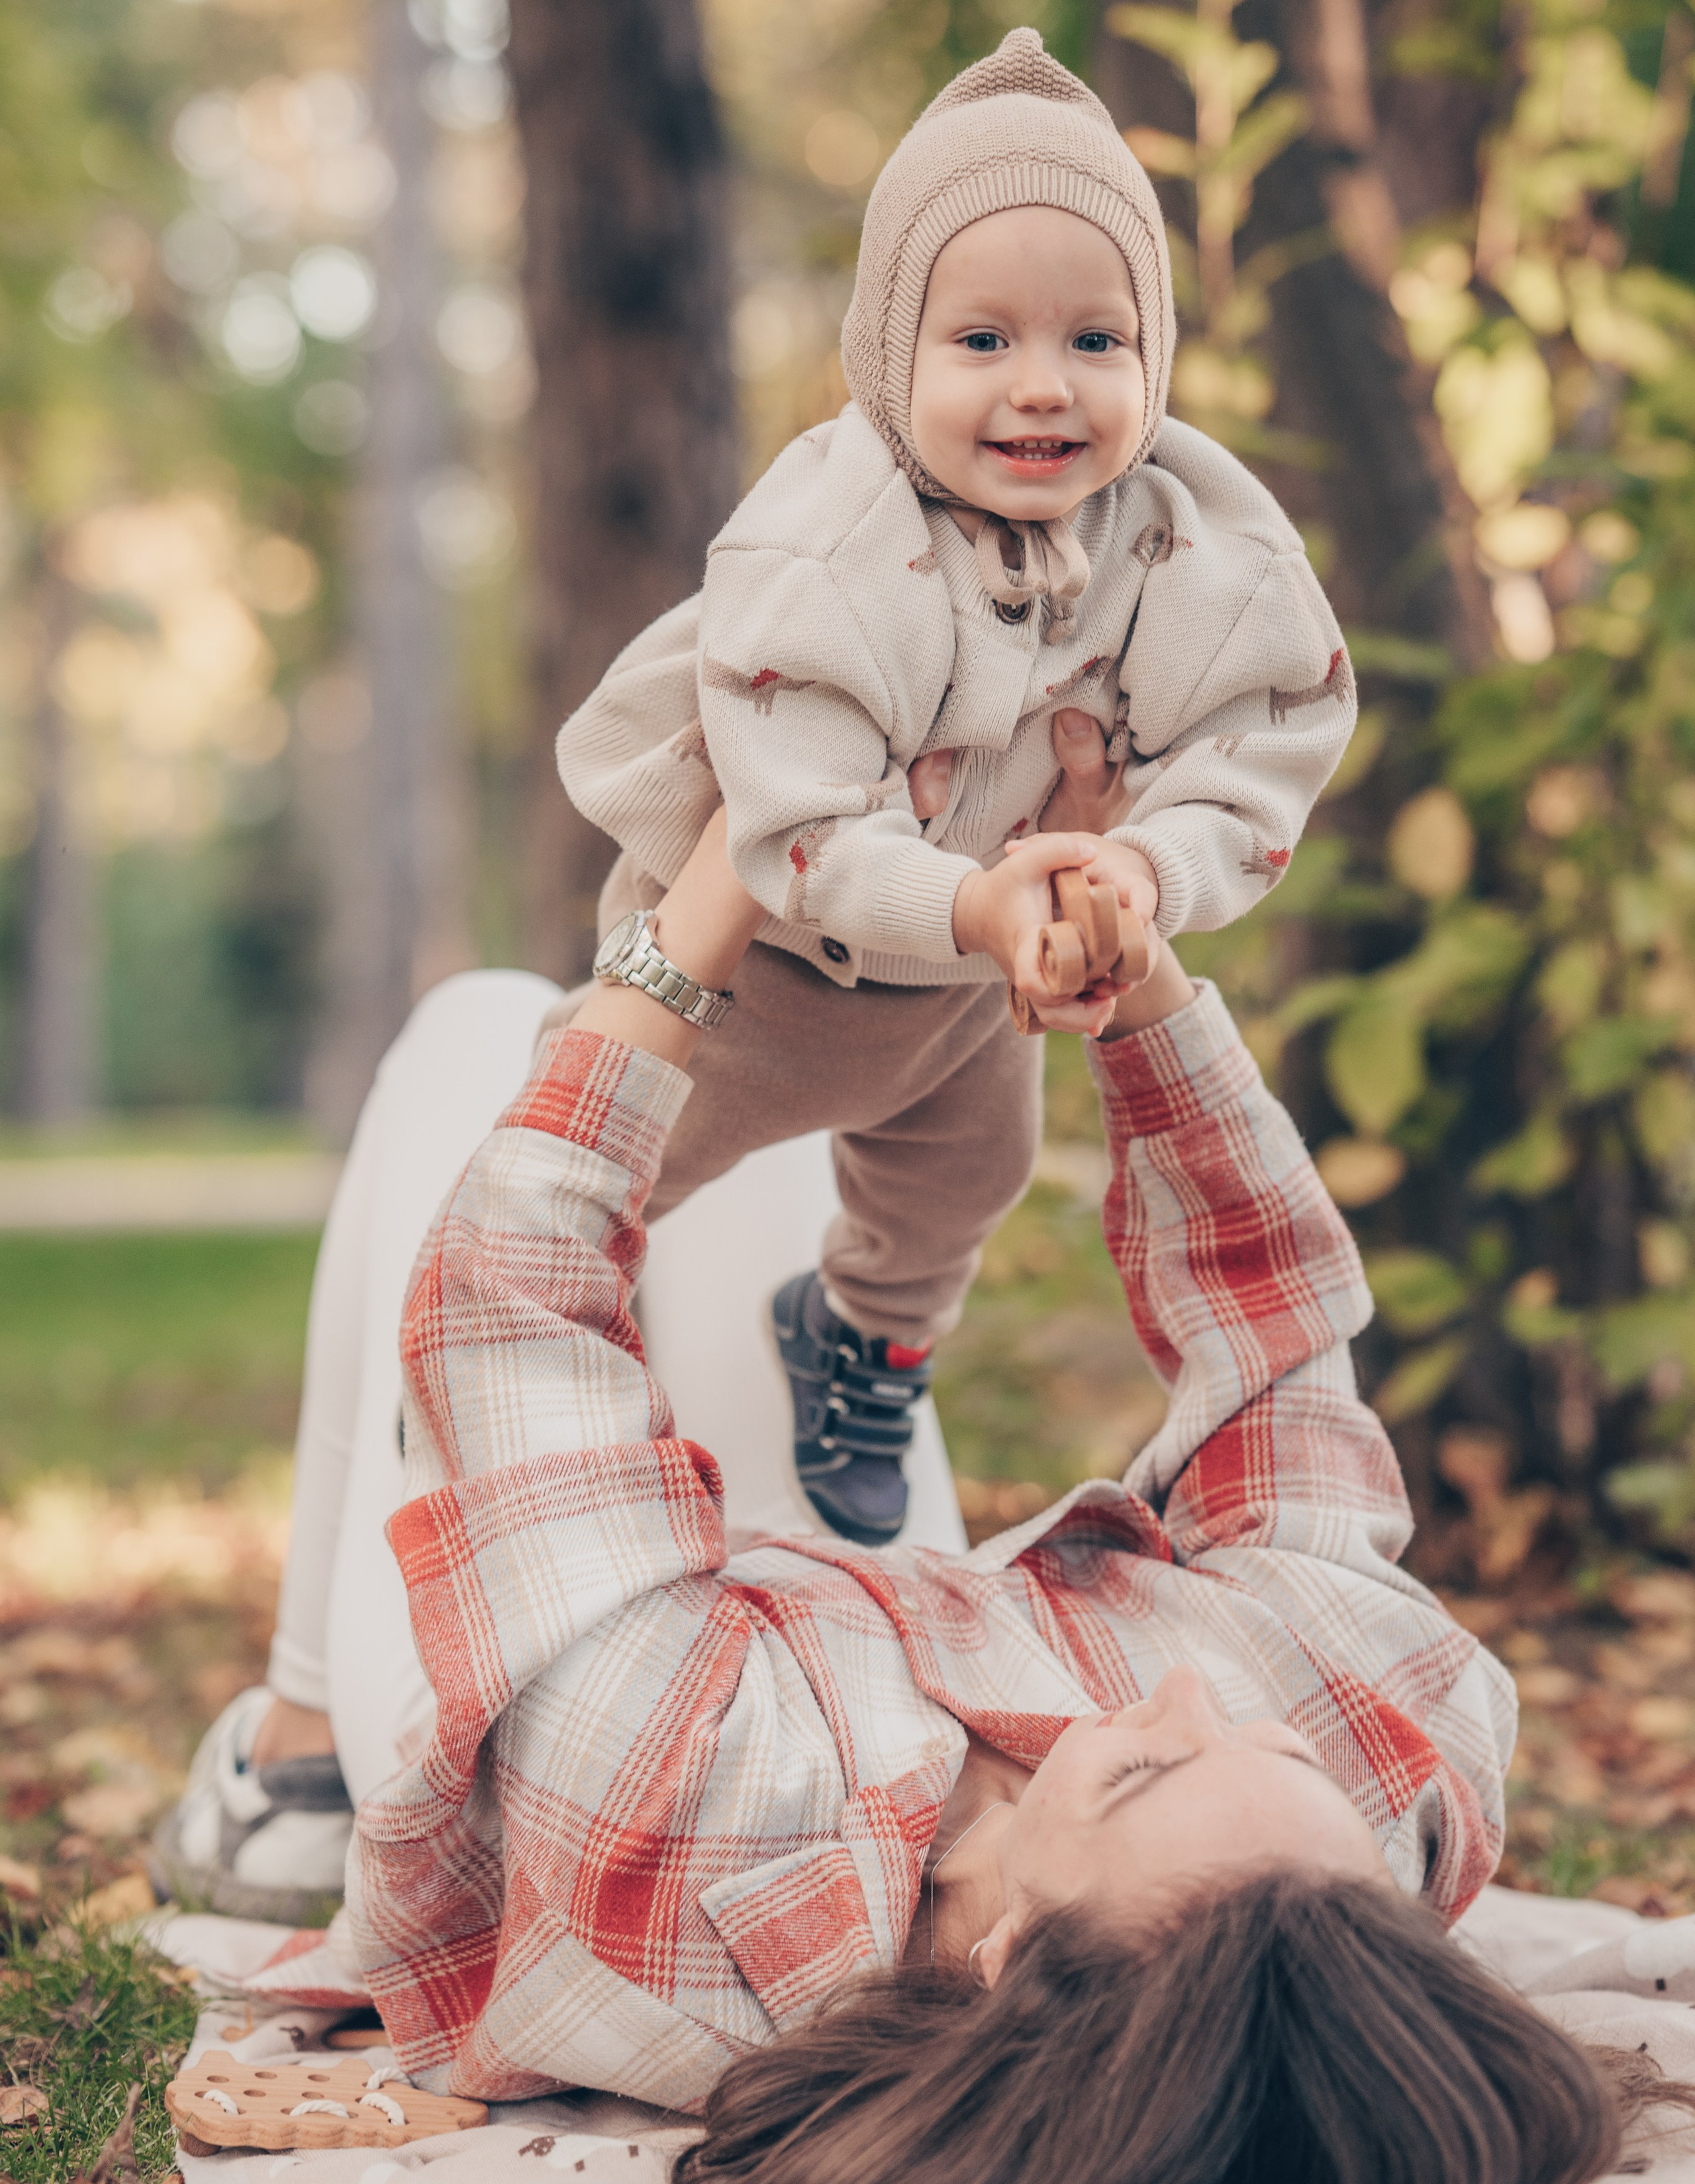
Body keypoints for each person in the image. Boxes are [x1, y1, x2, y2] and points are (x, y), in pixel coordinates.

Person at [155, 726, 1625, 2184]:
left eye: (1137, 1773)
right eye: (1272, 1745)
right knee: (802, 1093)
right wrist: (1129, 963)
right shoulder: (1380, 1793)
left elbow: (507, 1314)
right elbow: (1278, 1353)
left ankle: (303, 1749)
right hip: (854, 1637)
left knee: (475, 1035)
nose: (1187, 1698)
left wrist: (725, 876)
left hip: (566, 1726)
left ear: (1008, 1957)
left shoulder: (684, 1825)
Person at [557, 26, 1356, 1548]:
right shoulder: (833, 537)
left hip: (973, 985)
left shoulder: (1175, 536)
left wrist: (1142, 869)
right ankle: (515, 1329)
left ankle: (859, 1340)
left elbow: (1255, 733)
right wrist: (973, 900)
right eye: (981, 341)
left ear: (1152, 354)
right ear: (888, 355)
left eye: (1095, 340)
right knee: (626, 1158)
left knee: (963, 1182)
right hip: (766, 966)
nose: (1041, 388)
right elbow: (794, 818)